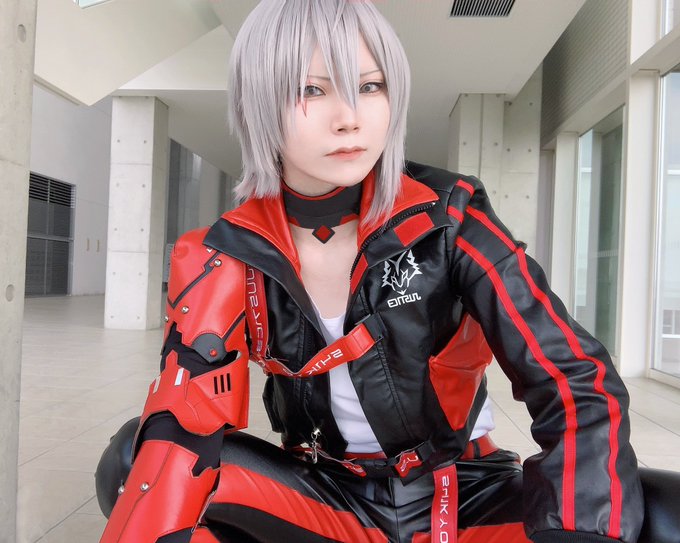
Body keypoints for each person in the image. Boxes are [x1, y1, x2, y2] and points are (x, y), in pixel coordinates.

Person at [97, 1, 647, 542]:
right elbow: (184, 419)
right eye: (312, 90)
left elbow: (574, 377)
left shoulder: (450, 218)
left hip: (463, 493)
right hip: (323, 496)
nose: (349, 118)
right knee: (138, 464)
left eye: (370, 85)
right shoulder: (229, 249)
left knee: (650, 511)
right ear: (258, 103)